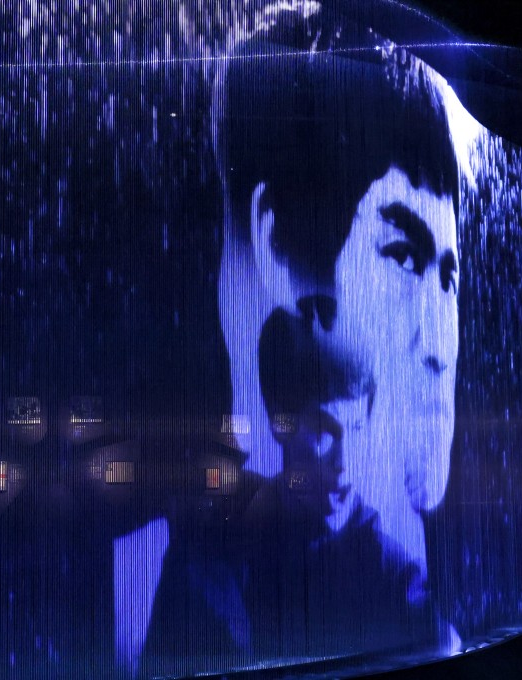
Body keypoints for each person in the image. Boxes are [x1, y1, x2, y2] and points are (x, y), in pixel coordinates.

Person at [138, 2, 462, 673]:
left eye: (451, 276)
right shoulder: (205, 568)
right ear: (277, 243)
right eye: (402, 257)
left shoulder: (392, 568)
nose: (439, 344)